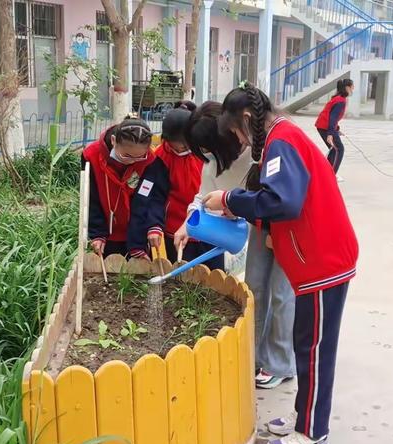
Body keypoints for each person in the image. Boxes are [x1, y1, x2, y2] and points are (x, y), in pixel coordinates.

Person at [203, 82, 358, 444]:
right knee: (307, 347)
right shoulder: (281, 136)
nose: (239, 140)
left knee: (315, 351)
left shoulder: (280, 141)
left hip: (323, 260)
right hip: (316, 259)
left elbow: (282, 201)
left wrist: (229, 199)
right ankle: (304, 418)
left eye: (237, 132)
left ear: (247, 119)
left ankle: (314, 436)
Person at [176, 101, 297, 389]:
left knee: (282, 292)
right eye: (203, 151)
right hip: (259, 224)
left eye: (210, 148)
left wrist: (240, 208)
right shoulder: (214, 162)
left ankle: (280, 362)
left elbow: (279, 199)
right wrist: (185, 224)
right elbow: (202, 196)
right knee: (255, 287)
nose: (207, 157)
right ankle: (252, 354)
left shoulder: (263, 153)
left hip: (285, 224)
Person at [127, 108, 223, 270]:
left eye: (185, 147)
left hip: (211, 228)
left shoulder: (207, 152)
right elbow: (153, 198)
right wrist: (154, 226)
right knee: (183, 279)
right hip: (178, 232)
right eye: (174, 147)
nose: (179, 151)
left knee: (215, 278)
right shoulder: (159, 160)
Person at [82, 118, 155, 258]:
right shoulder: (91, 156)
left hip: (136, 234)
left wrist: (138, 242)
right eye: (126, 156)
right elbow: (91, 197)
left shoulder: (149, 160)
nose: (132, 161)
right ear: (114, 141)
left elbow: (144, 200)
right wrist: (97, 234)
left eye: (139, 157)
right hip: (105, 233)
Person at [315, 79, 354, 176]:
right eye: (352, 86)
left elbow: (333, 118)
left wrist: (336, 129)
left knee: (334, 149)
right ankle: (331, 176)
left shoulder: (339, 98)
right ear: (348, 87)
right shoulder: (340, 100)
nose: (353, 89)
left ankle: (326, 173)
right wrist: (330, 134)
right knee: (339, 149)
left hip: (324, 126)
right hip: (324, 127)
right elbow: (332, 118)